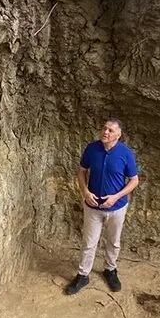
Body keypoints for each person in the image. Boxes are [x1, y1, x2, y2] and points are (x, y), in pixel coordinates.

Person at [65, 118, 140, 295]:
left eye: (110, 130)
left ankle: (110, 270)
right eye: (104, 128)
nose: (105, 132)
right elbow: (82, 171)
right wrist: (85, 192)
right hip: (93, 206)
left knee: (113, 241)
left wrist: (115, 197)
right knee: (89, 242)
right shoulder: (92, 149)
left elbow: (134, 180)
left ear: (118, 135)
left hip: (116, 207)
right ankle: (83, 275)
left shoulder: (126, 153)